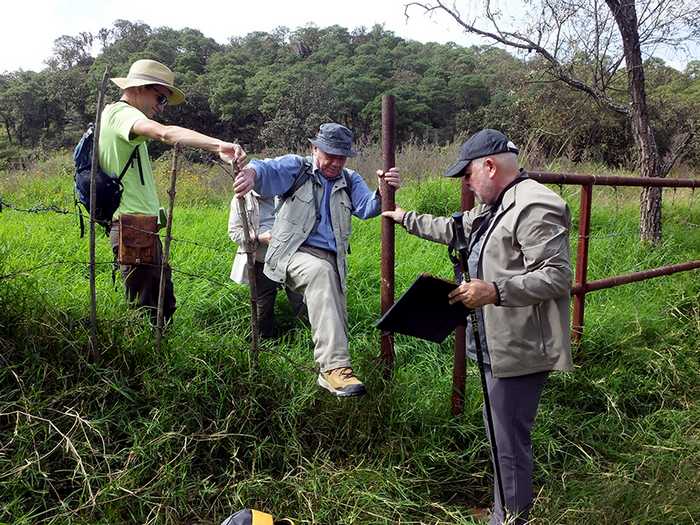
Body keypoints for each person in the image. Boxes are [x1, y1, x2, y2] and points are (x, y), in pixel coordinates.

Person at [382, 129, 573, 524]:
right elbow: (455, 229)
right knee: (499, 433)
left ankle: (511, 517)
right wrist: (403, 218)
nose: (466, 184)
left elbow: (556, 277)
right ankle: (505, 508)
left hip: (518, 347)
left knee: (508, 440)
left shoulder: (534, 205)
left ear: (489, 166)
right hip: (494, 343)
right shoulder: (496, 205)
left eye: (467, 175)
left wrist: (494, 291)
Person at [233, 123, 400, 397]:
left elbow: (368, 208)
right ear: (314, 149)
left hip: (331, 262)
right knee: (320, 272)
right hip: (292, 254)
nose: (335, 162)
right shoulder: (296, 168)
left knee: (335, 314)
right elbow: (266, 169)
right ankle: (333, 369)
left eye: (341, 157)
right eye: (329, 155)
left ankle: (338, 386)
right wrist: (250, 173)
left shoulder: (350, 180)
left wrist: (383, 191)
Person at [99, 59, 246, 324]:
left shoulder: (122, 119)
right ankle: (145, 362)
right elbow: (165, 134)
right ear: (141, 88)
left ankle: (154, 356)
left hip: (140, 228)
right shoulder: (121, 115)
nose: (160, 106)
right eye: (160, 98)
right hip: (132, 229)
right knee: (148, 313)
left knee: (160, 304)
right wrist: (218, 145)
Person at [228, 191, 305, 338]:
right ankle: (265, 341)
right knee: (263, 304)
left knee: (302, 299)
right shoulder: (242, 198)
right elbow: (234, 232)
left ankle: (309, 337)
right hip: (261, 260)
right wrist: (259, 238)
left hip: (292, 256)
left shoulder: (288, 190)